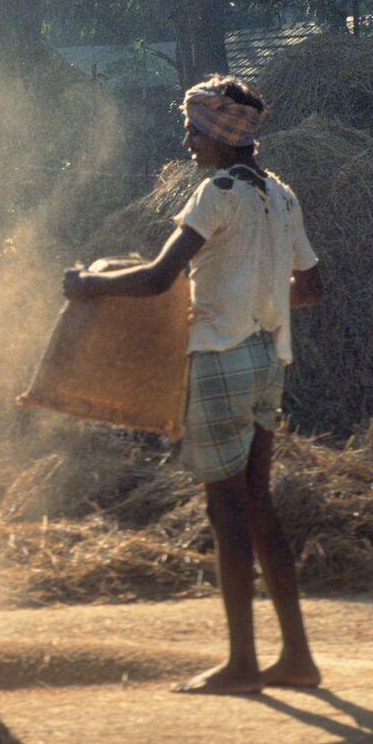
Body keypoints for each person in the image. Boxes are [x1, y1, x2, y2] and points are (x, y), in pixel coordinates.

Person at [64, 76, 324, 696]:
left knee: (225, 508)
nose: (188, 140)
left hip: (220, 360)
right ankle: (296, 656)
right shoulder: (281, 197)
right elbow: (310, 289)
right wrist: (255, 292)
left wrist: (89, 286)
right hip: (267, 360)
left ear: (216, 132)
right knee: (258, 504)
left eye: (193, 128)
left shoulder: (216, 193)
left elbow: (157, 280)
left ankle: (240, 664)